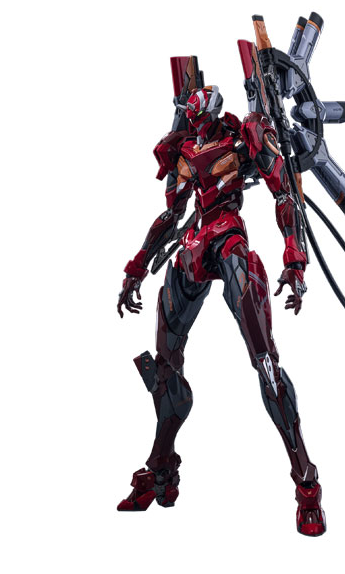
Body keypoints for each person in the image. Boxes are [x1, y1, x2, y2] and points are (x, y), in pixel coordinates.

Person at [116, 84, 326, 536]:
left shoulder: (243, 136)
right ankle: (162, 468)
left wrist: (294, 258)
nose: (193, 123)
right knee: (166, 368)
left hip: (229, 241)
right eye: (189, 117)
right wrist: (136, 267)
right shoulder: (184, 150)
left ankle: (306, 483)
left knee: (265, 363)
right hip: (194, 246)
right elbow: (170, 215)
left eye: (198, 116)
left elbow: (284, 194)